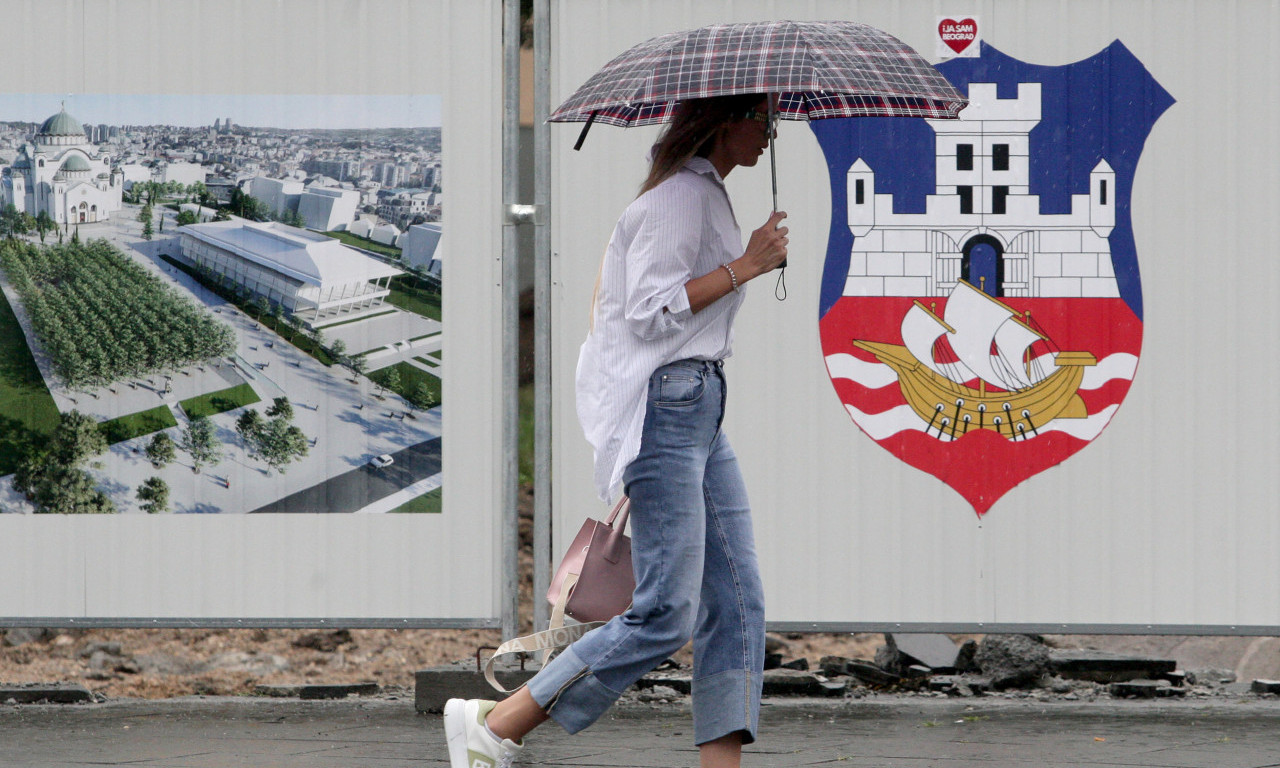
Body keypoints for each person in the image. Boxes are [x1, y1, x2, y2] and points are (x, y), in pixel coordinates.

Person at [444, 93, 789, 768]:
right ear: (725, 120)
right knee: (665, 611)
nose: (771, 135)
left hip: (698, 404)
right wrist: (746, 266)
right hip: (669, 406)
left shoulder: (707, 193)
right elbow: (649, 311)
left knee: (738, 600)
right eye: (763, 120)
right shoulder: (677, 199)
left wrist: (748, 262)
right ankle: (497, 723)